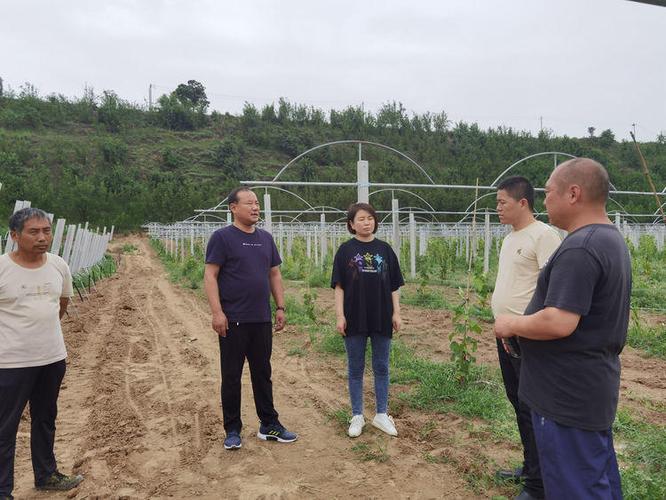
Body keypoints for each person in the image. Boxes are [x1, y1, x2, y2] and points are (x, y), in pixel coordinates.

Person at [495, 158, 631, 499]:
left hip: (565, 395)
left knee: (574, 485)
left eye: (549, 192)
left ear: (573, 193)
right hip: (585, 389)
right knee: (593, 478)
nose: (544, 200)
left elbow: (559, 320)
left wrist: (512, 323)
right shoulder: (607, 239)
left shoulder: (581, 247)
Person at [204, 187, 297, 450]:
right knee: (231, 376)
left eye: (257, 203)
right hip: (232, 320)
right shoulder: (222, 238)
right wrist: (217, 312)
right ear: (233, 207)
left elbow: (274, 275)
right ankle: (232, 429)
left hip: (261, 319)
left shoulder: (266, 239)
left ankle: (269, 424)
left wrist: (280, 307)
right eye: (249, 203)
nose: (255, 207)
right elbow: (210, 276)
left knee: (262, 373)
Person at [0, 208, 84, 500]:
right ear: (14, 236)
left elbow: (61, 303)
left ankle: (46, 474)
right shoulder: (2, 269)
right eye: (33, 232)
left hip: (51, 358)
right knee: (4, 428)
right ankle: (2, 490)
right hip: (9, 363)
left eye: (46, 231)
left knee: (45, 418)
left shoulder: (58, 265)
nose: (42, 237)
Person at [491, 177, 561, 500]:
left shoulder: (544, 236)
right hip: (507, 336)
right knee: (518, 403)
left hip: (527, 338)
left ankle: (539, 484)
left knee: (533, 407)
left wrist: (521, 326)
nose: (498, 208)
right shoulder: (510, 239)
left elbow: (552, 290)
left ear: (522, 203)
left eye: (502, 202)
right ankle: (531, 466)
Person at [331, 202, 404, 438]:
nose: (366, 222)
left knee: (381, 366)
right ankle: (357, 415)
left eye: (370, 218)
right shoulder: (345, 250)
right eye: (361, 219)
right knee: (356, 368)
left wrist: (396, 312)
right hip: (354, 316)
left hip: (382, 315)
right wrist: (340, 316)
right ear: (351, 224)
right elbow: (339, 287)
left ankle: (382, 414)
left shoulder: (385, 249)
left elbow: (394, 286)